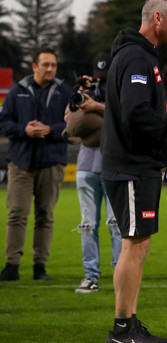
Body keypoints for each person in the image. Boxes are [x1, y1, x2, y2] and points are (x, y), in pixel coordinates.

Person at [101, 0, 167, 343]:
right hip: (131, 166)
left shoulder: (139, 56)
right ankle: (122, 329)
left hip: (137, 165)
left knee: (139, 243)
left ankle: (129, 322)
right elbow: (135, 113)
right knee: (134, 243)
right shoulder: (137, 57)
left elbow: (139, 111)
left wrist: (165, 121)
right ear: (157, 18)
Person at [0, 46, 71, 282]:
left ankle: (40, 267)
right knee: (17, 214)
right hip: (20, 163)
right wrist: (24, 130)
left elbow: (75, 125)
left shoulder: (64, 92)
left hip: (51, 163)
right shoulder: (16, 92)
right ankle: (12, 266)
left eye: (54, 65)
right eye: (45, 65)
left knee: (45, 215)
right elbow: (3, 123)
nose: (50, 69)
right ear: (34, 66)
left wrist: (51, 130)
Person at [65, 53, 122, 293]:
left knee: (116, 224)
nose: (101, 83)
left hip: (113, 164)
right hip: (87, 165)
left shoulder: (120, 89)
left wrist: (97, 106)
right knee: (88, 224)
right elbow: (68, 123)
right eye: (99, 78)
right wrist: (76, 98)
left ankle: (121, 274)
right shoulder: (85, 90)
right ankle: (90, 276)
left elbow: (125, 114)